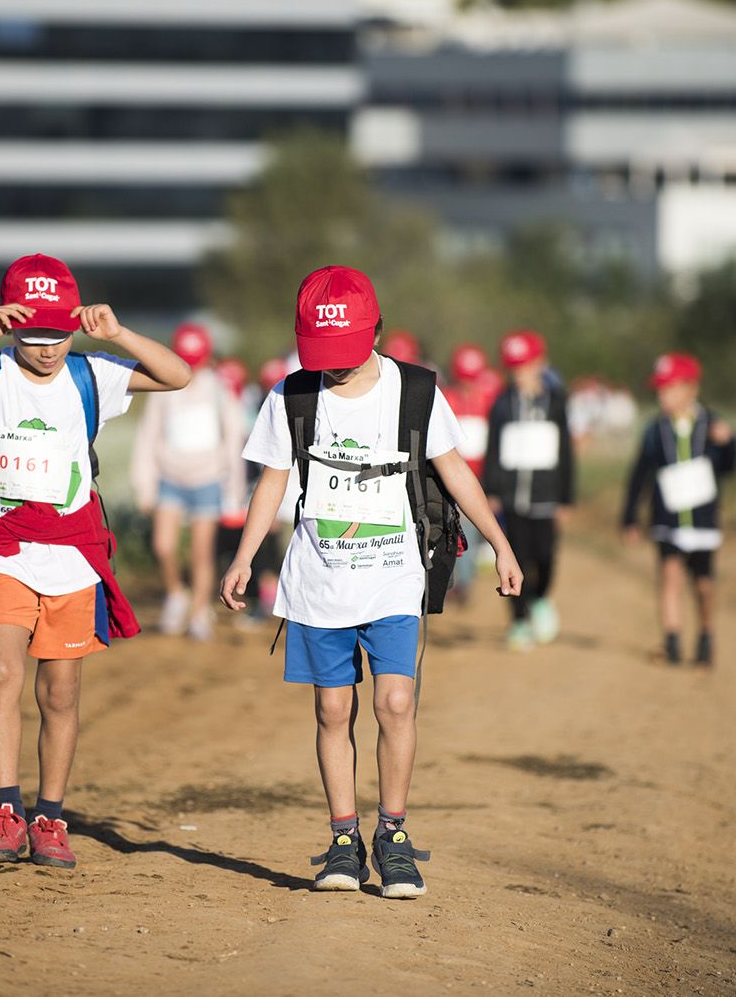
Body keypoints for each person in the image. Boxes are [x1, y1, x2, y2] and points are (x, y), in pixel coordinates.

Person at [219, 266, 523, 899]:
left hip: (395, 575)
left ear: (375, 331)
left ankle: (394, 837)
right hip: (318, 579)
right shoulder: (293, 395)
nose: (334, 368)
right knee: (334, 709)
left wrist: (500, 543)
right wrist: (245, 556)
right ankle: (342, 841)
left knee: (395, 704)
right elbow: (273, 479)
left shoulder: (415, 392)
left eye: (346, 354)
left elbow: (456, 472)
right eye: (322, 355)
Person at [0, 253, 191, 869]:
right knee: (1, 674)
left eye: (59, 332)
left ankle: (50, 818)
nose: (49, 347)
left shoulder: (93, 373)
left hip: (75, 557)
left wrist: (118, 334)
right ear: (10, 327)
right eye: (33, 334)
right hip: (5, 551)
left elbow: (178, 375)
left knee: (60, 694)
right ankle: (4, 814)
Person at [619, 352, 736, 668]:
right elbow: (639, 474)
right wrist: (630, 516)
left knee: (703, 584)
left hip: (702, 521)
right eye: (659, 390)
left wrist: (730, 443)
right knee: (669, 576)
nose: (663, 396)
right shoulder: (655, 429)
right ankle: (671, 641)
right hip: (667, 518)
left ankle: (706, 635)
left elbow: (730, 467)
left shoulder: (712, 424)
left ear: (691, 389)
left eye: (670, 389)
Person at [131, 322, 246, 641]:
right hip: (170, 478)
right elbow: (148, 434)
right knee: (163, 545)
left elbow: (232, 436)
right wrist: (144, 484)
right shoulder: (164, 389)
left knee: (201, 553)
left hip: (208, 480)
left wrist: (234, 487)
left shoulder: (218, 388)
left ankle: (198, 612)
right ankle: (176, 594)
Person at [482, 331, 575, 650]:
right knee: (516, 559)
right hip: (511, 498)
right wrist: (490, 490)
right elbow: (493, 448)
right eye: (514, 368)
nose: (519, 374)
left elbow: (566, 453)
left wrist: (565, 497)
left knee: (546, 556)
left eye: (526, 366)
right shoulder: (502, 403)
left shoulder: (556, 402)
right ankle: (519, 622)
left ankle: (540, 599)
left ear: (541, 364)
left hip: (546, 497)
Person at [441, 343, 500, 602]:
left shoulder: (489, 400)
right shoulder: (446, 399)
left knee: (472, 527)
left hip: (481, 477)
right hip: (452, 475)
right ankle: (459, 581)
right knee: (456, 526)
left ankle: (464, 580)